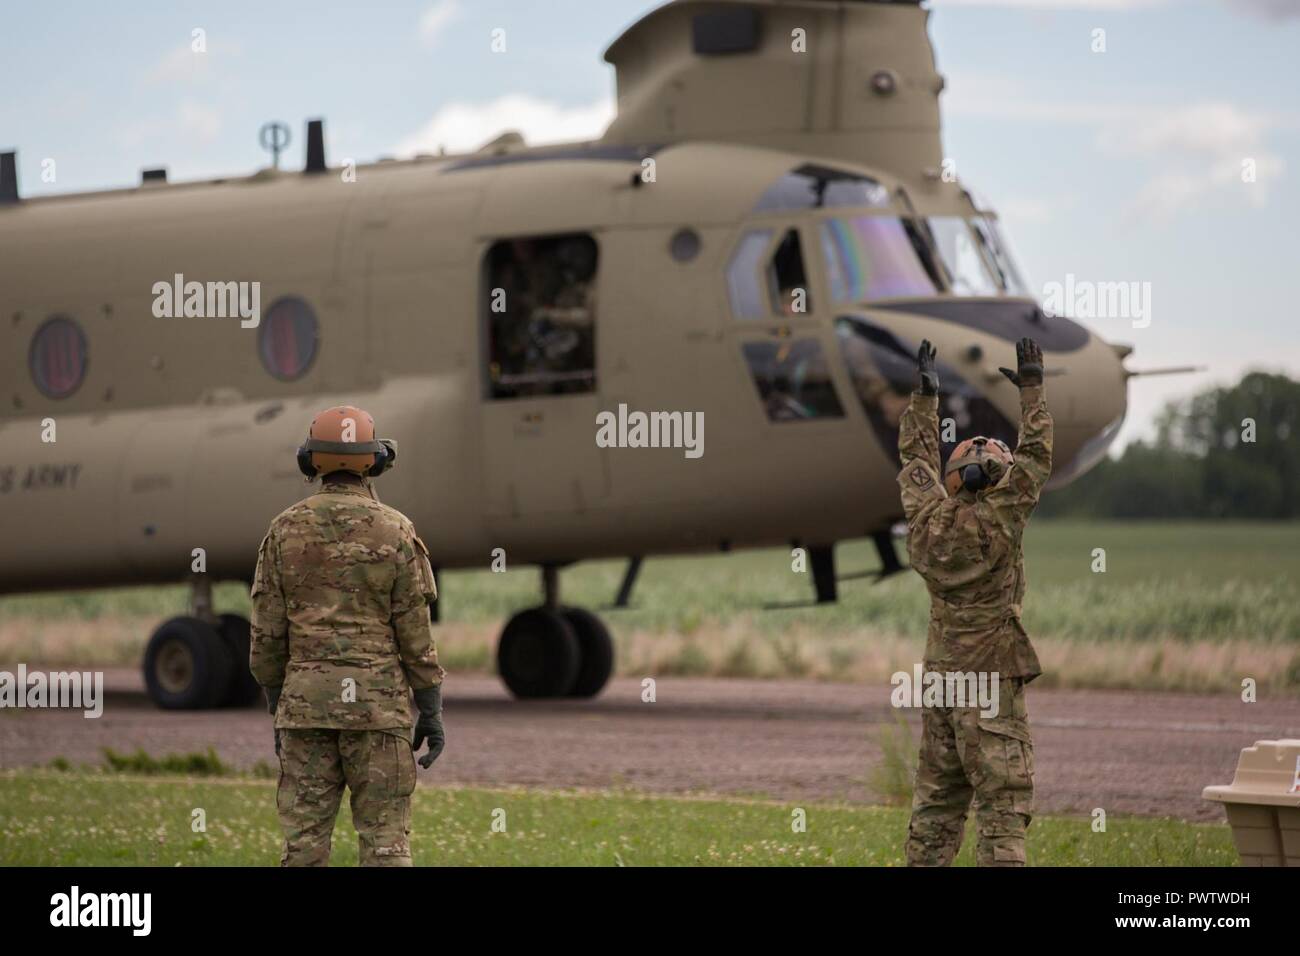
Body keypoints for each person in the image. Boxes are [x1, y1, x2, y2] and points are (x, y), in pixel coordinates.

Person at [249, 405, 445, 867]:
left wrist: (279, 703)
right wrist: (431, 709)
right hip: (379, 713)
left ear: (309, 459)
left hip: (305, 711)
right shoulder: (397, 531)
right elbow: (416, 637)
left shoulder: (283, 531)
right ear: (374, 460)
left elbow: (266, 637)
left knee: (304, 847)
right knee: (386, 846)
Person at [897, 337, 1052, 866]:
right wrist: (1031, 390)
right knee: (1003, 805)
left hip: (942, 682)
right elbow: (1036, 460)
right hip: (991, 683)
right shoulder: (1001, 520)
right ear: (997, 481)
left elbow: (915, 459)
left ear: (953, 479)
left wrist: (925, 400)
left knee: (937, 806)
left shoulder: (925, 522)